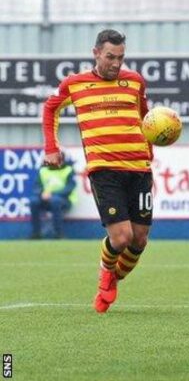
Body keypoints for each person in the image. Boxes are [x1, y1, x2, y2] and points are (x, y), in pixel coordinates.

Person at [42, 29, 154, 314]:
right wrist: (51, 147)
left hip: (139, 169)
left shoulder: (135, 82)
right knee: (121, 238)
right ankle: (106, 271)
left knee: (139, 238)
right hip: (104, 169)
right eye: (110, 57)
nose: (116, 63)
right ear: (95, 53)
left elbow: (145, 118)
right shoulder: (75, 84)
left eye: (121, 57)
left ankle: (113, 278)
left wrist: (152, 147)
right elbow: (50, 109)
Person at [28, 153, 77, 239]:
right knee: (33, 202)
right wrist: (41, 193)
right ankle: (36, 234)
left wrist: (53, 194)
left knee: (55, 201)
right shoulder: (43, 170)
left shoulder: (68, 170)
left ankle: (58, 234)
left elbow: (70, 187)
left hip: (64, 200)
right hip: (46, 199)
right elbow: (37, 186)